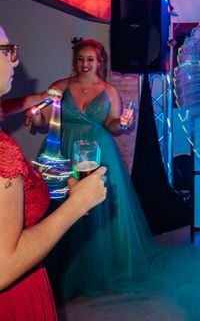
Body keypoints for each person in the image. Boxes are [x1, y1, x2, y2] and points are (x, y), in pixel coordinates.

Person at [27, 38, 154, 301]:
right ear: (75, 61)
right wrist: (35, 116)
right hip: (63, 151)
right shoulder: (60, 87)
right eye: (81, 59)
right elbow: (41, 122)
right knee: (60, 205)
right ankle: (61, 268)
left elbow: (111, 125)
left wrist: (123, 123)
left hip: (99, 152)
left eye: (91, 59)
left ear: (99, 62)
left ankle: (99, 268)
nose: (86, 64)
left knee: (98, 210)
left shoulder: (108, 91)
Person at [0, 26, 107, 320]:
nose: (16, 60)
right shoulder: (3, 153)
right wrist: (77, 204)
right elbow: (3, 268)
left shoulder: (106, 90)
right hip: (12, 293)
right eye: (6, 50)